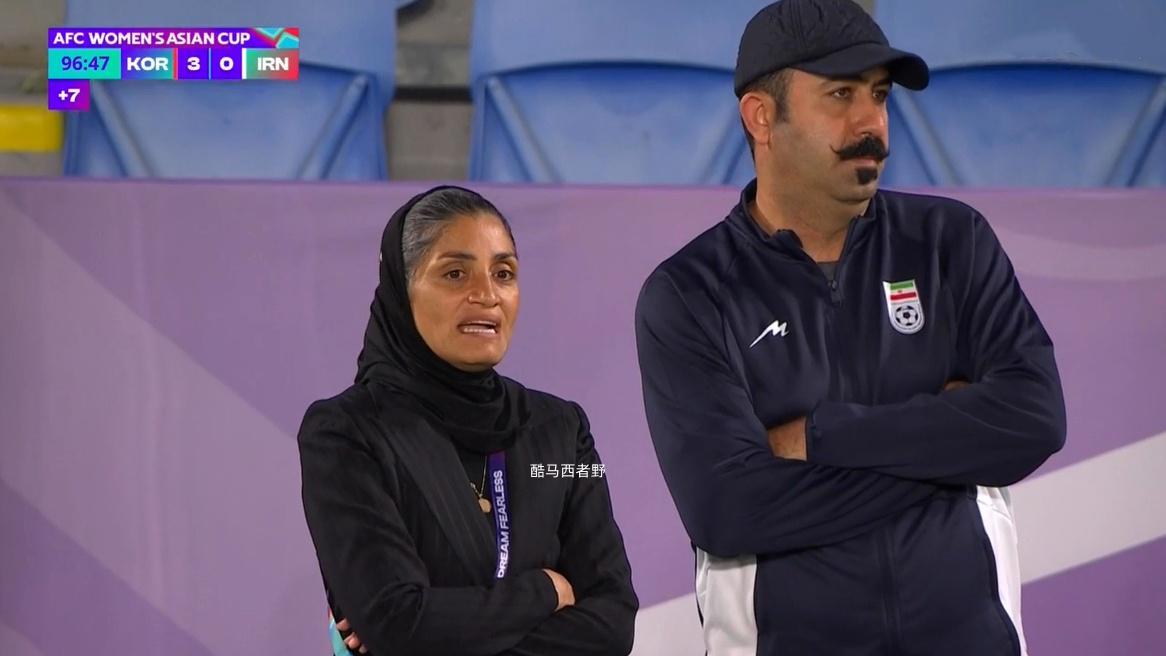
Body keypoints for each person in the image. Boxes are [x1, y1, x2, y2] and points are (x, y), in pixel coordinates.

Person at [633, 1, 1066, 654]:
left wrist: (819, 436)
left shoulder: (952, 242)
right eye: (841, 95)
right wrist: (948, 450)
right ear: (761, 117)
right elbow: (729, 509)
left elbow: (1035, 420)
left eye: (880, 95)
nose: (872, 125)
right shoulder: (690, 293)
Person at [299, 186, 638, 656]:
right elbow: (399, 622)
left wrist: (440, 635)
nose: (487, 295)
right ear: (401, 289)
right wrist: (544, 591)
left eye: (504, 273)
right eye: (455, 273)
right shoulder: (345, 434)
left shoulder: (563, 432)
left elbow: (613, 625)